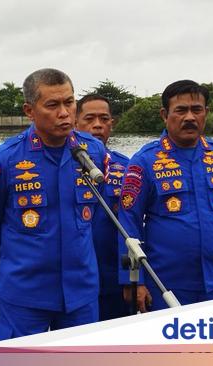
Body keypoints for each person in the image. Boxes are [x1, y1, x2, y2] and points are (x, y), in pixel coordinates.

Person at [0, 68, 107, 340]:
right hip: (25, 293)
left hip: (80, 292)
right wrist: (17, 263)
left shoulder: (92, 152)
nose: (64, 113)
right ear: (29, 110)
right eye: (52, 105)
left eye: (69, 102)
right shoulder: (3, 159)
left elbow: (94, 216)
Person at [117, 79, 213, 312]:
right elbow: (128, 224)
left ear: (206, 113)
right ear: (165, 115)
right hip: (164, 285)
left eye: (196, 110)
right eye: (181, 110)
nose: (189, 117)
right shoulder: (145, 161)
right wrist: (133, 281)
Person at [75, 94, 130, 320]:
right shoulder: (61, 166)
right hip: (74, 276)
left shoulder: (127, 167)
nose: (97, 125)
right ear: (75, 122)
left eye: (104, 119)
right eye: (90, 118)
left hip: (114, 275)